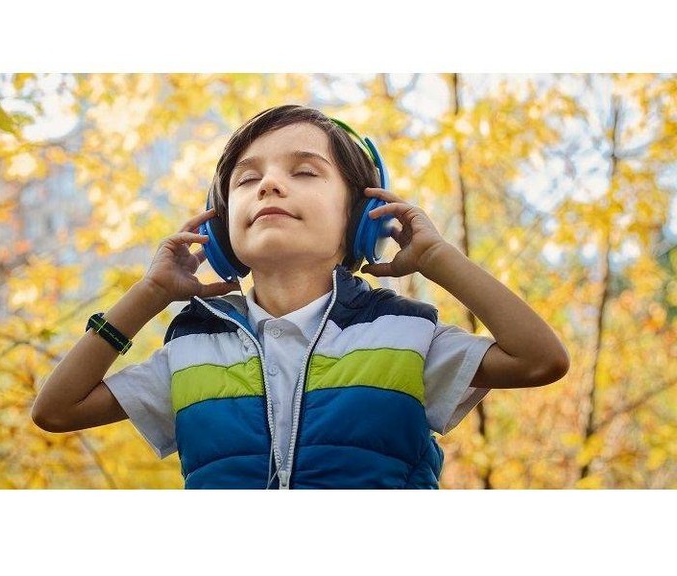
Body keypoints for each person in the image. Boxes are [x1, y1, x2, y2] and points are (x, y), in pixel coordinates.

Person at [31, 104, 570, 489]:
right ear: (220, 233)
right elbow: (56, 409)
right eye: (246, 180)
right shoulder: (192, 352)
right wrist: (149, 295)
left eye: (305, 171)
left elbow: (540, 359)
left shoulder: (405, 337)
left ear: (361, 219)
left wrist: (436, 257)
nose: (268, 185)